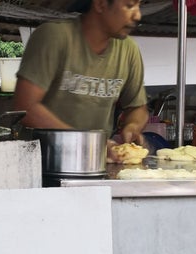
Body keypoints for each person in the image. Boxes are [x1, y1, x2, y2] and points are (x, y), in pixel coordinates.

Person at [12, 0, 149, 163]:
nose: (137, 15)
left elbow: (138, 108)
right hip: (42, 162)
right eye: (129, 5)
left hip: (95, 164)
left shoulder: (129, 50)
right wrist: (87, 143)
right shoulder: (54, 37)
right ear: (100, 4)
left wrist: (133, 126)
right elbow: (25, 108)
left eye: (139, 6)